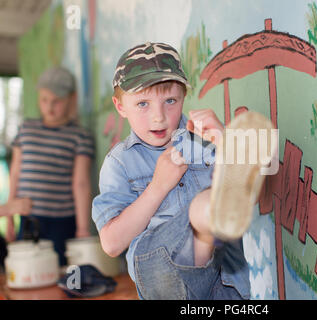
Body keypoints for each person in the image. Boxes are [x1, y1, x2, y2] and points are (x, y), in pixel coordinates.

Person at [92, 42, 275, 300]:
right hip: (160, 272)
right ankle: (211, 209)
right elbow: (111, 244)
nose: (159, 116)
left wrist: (224, 143)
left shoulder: (204, 141)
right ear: (120, 106)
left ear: (183, 97)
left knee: (224, 196)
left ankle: (222, 195)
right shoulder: (120, 162)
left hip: (223, 280)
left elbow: (255, 198)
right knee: (201, 208)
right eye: (143, 104)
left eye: (170, 100)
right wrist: (158, 187)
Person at [7, 66, 95, 266]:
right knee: (30, 268)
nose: (49, 107)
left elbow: (81, 183)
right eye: (44, 100)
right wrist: (10, 215)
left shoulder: (80, 136)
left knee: (64, 272)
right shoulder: (26, 129)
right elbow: (15, 173)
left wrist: (82, 228)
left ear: (71, 99)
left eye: (57, 101)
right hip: (29, 219)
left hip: (63, 220)